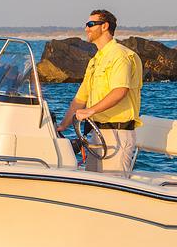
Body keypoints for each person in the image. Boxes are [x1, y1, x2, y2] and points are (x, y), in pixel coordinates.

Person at [55, 9, 143, 175]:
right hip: (97, 134)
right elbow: (80, 98)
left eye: (90, 24)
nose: (86, 28)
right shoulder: (95, 60)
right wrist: (62, 125)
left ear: (105, 26)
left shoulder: (120, 55)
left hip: (117, 135)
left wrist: (91, 110)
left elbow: (120, 91)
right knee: (92, 185)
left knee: (113, 190)